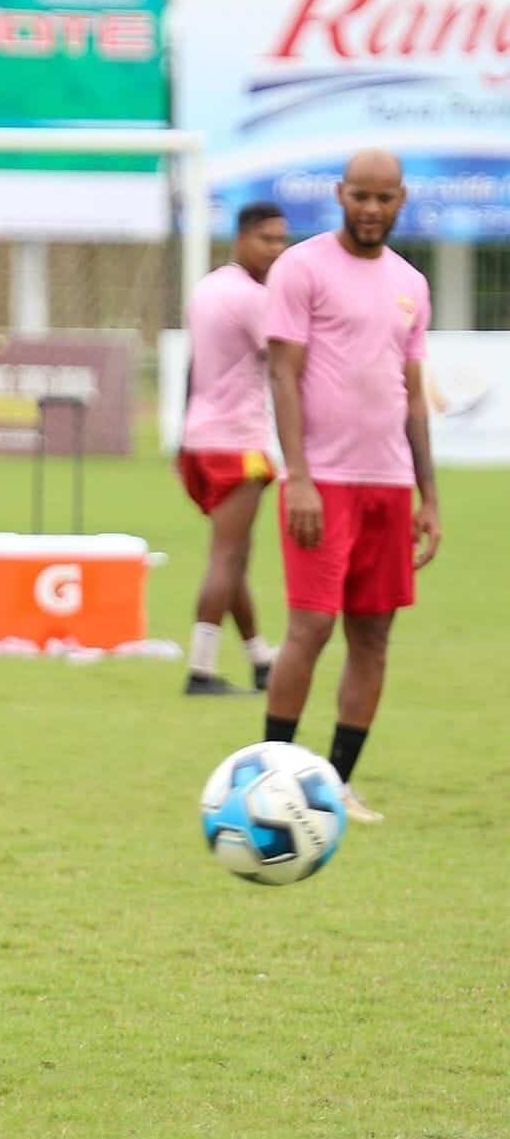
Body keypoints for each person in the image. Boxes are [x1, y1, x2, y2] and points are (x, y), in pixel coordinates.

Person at [262, 149, 440, 823]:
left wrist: (429, 494)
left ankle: (335, 784)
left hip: (389, 485)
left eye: (384, 197)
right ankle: (269, 773)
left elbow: (413, 395)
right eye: (360, 196)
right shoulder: (301, 267)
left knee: (374, 636)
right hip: (323, 482)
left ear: (401, 199)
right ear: (340, 194)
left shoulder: (410, 284)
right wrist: (298, 476)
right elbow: (283, 375)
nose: (371, 209)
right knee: (310, 625)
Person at [178, 202, 287, 696]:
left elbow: (193, 365)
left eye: (282, 240)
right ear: (242, 238)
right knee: (228, 555)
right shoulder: (254, 298)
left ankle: (261, 659)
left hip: (198, 441)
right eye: (268, 239)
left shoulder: (207, 288)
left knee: (234, 556)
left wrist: (182, 434)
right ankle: (200, 670)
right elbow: (290, 362)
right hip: (237, 443)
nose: (277, 250)